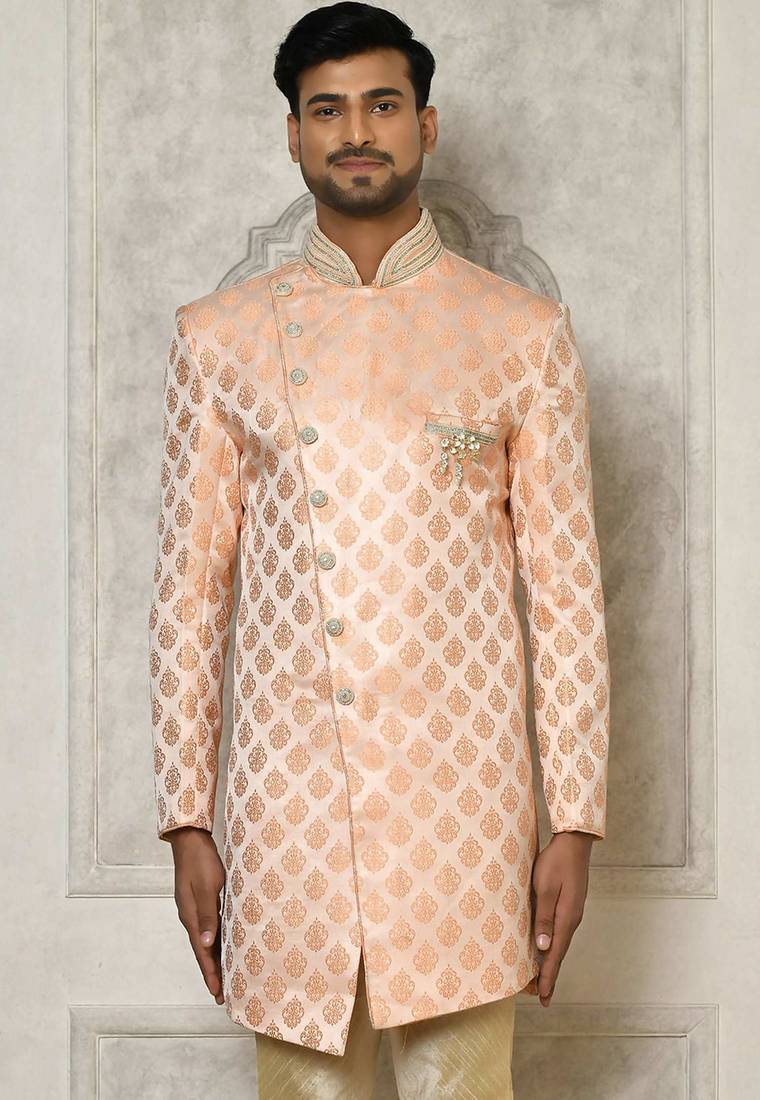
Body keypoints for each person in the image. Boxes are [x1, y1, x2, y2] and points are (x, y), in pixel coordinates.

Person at [147, 3, 611, 1096]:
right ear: (293, 135)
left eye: (382, 105)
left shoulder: (520, 333)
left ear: (425, 125)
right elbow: (188, 596)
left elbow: (566, 596)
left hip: (466, 807)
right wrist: (185, 818)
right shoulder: (218, 338)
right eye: (327, 110)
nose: (356, 131)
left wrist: (577, 819)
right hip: (287, 808)